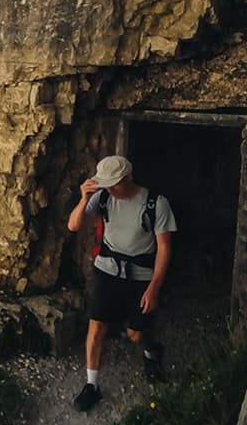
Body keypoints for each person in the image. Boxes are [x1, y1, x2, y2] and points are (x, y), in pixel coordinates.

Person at [67, 154, 177, 411]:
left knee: (135, 333)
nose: (111, 190)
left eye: (115, 184)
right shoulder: (102, 197)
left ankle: (152, 350)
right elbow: (74, 226)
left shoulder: (156, 204)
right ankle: (92, 385)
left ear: (128, 178)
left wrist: (154, 288)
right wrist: (83, 198)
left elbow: (164, 249)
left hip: (140, 276)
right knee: (97, 327)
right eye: (107, 185)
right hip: (107, 270)